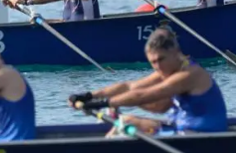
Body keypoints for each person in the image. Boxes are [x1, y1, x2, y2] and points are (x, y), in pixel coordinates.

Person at [69, 28, 227, 135]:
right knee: (126, 120)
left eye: (161, 59)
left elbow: (145, 95)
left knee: (127, 121)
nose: (157, 66)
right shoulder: (171, 69)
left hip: (201, 136)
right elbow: (130, 87)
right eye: (153, 62)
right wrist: (89, 96)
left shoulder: (189, 74)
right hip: (180, 130)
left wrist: (102, 104)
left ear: (176, 52)